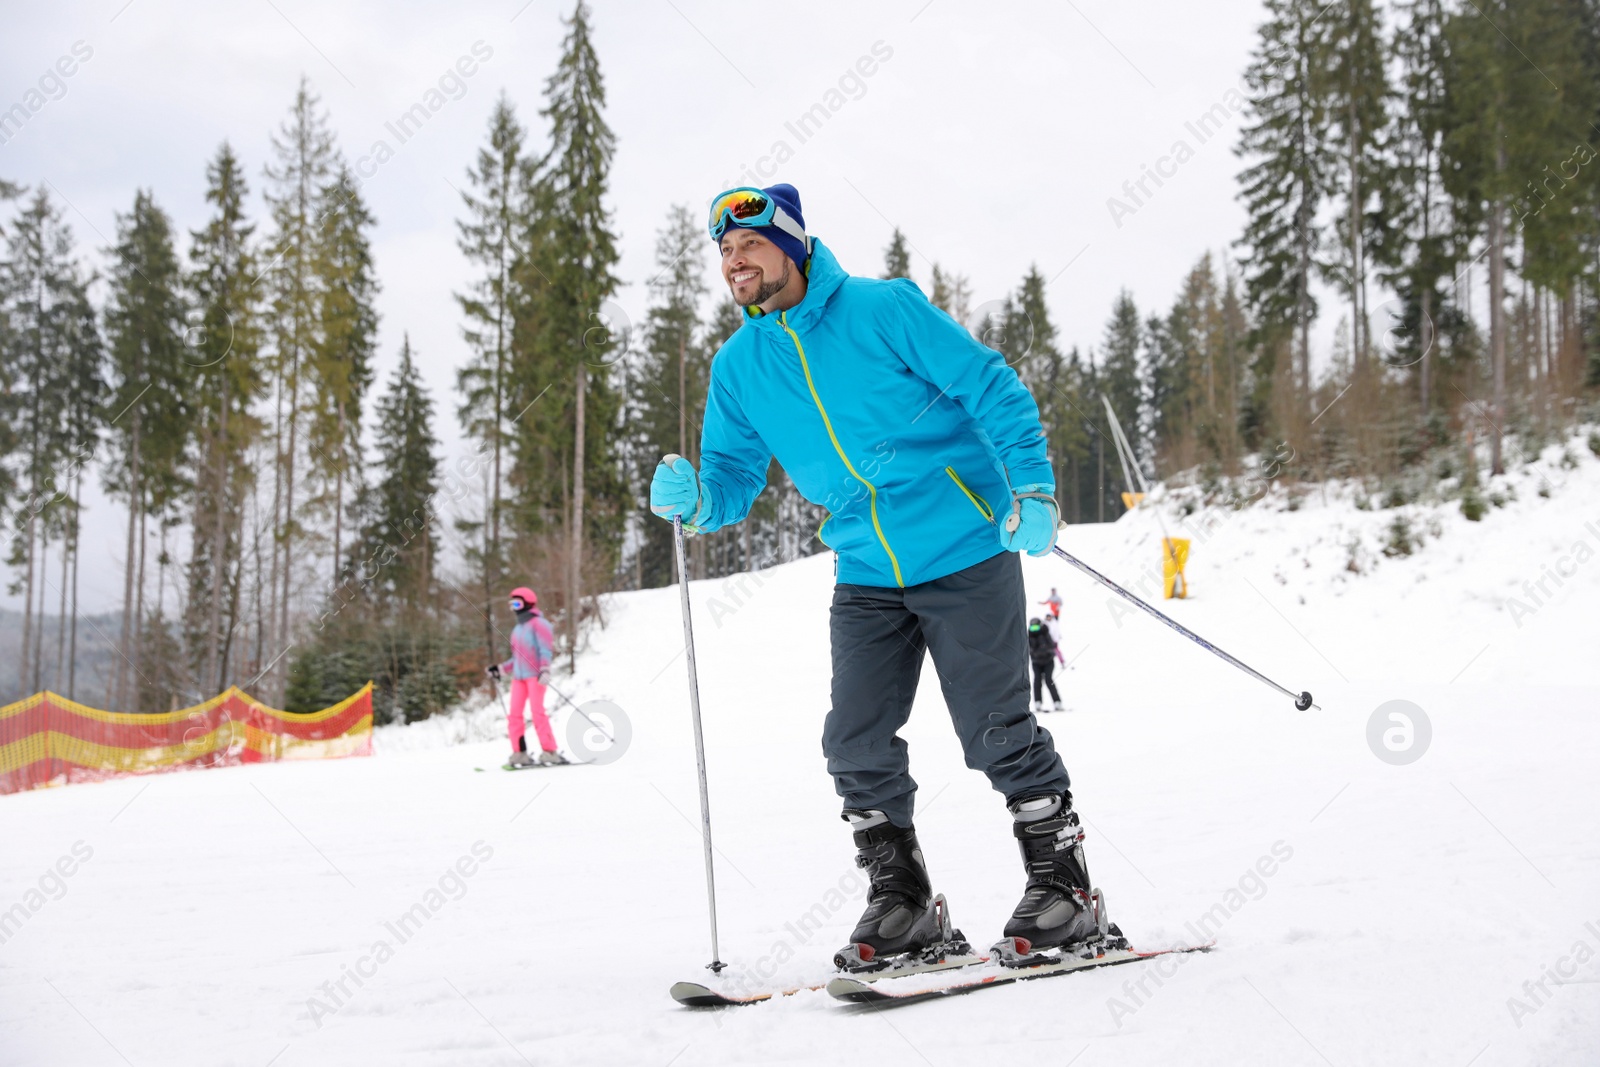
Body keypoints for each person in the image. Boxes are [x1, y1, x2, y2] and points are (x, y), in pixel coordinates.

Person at [650, 183, 1102, 965]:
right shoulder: (740, 365)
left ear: (790, 246)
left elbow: (989, 383)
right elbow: (730, 477)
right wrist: (696, 503)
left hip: (963, 544)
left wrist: (1030, 484)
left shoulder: (881, 309)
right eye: (724, 252)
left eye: (750, 244)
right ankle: (903, 900)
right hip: (864, 568)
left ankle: (1064, 888)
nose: (734, 262)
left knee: (995, 730)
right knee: (853, 739)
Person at [486, 587, 563, 767]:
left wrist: (545, 669)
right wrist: (500, 669)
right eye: (512, 603)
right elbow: (517, 657)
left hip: (535, 676)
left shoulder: (539, 623)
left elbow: (545, 650)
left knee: (537, 713)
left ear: (528, 603)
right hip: (519, 678)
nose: (514, 607)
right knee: (514, 715)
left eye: (517, 603)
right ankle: (519, 753)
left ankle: (550, 751)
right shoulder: (518, 628)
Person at [1027, 617, 1064, 713]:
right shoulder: (1029, 636)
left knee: (1049, 680)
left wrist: (1044, 650)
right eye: (1032, 628)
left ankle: (1057, 702)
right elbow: (1028, 649)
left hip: (1048, 661)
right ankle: (1038, 702)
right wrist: (1034, 652)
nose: (1034, 630)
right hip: (1036, 663)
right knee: (1037, 681)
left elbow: (1052, 646)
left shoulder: (1045, 634)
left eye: (1036, 628)